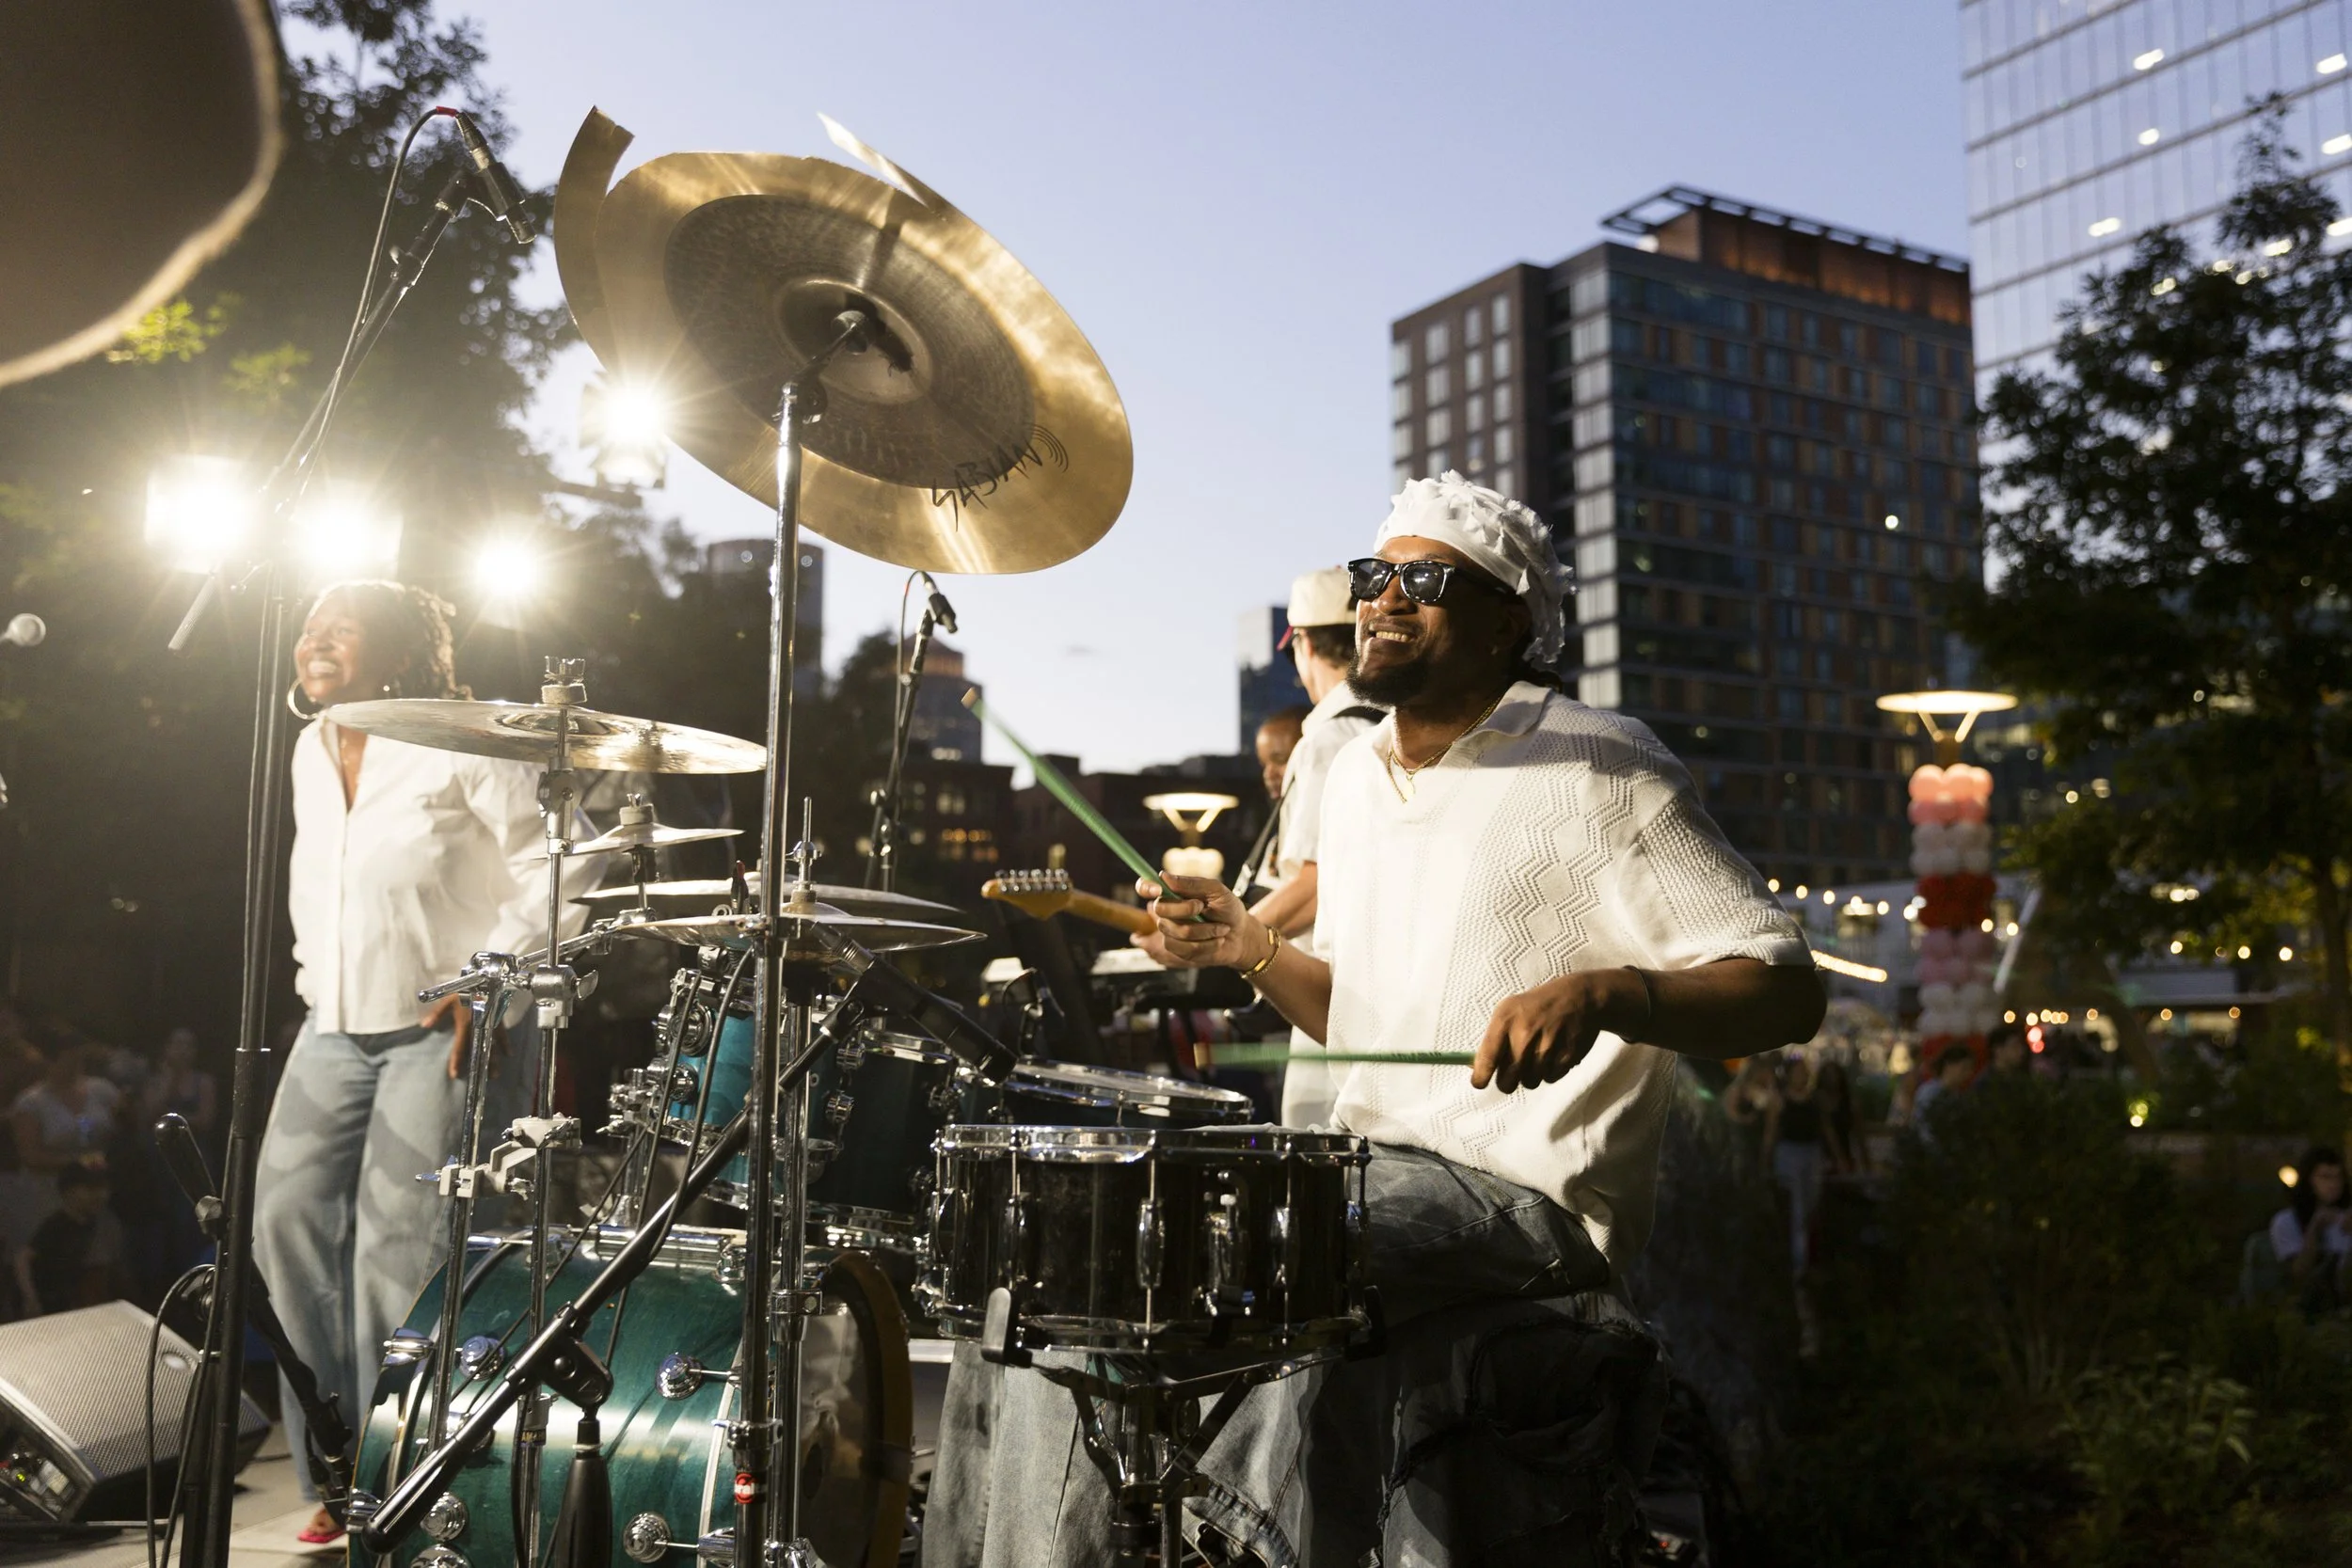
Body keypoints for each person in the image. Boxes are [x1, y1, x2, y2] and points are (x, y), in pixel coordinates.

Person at [924, 473, 1825, 1567]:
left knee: (1275, 1275)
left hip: (1523, 1205)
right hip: (1364, 1169)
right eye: (1373, 576)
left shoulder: (1603, 763)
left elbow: (1783, 984)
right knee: (1047, 1276)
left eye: (1425, 578)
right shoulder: (1352, 776)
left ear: (1510, 621)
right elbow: (1352, 1011)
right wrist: (1247, 946)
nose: (1384, 599)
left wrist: (1611, 992)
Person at [252, 579, 584, 1544]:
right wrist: (314, 980)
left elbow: (559, 858)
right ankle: (336, 1458)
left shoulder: (463, 735)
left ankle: (401, 1470)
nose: (310, 638)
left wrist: (495, 980)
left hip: (447, 1025)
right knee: (284, 1225)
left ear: (395, 650)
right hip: (334, 1021)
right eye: (307, 624)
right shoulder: (310, 745)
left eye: (337, 627)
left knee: (399, 1252)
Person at [1247, 566, 1384, 1127]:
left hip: (1330, 1000)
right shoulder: (1393, 726)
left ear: (1302, 643)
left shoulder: (1330, 738)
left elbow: (1315, 883)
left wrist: (1228, 935)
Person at [15, 1161, 118, 1316]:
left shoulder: (89, 1222)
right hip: (44, 1300)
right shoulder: (57, 1224)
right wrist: (30, 1298)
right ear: (68, 1192)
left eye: (104, 1188)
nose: (101, 1194)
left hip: (63, 1299)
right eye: (91, 1189)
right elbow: (22, 1259)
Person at [1764, 1054, 1827, 1278]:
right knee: (1796, 1208)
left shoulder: (1815, 1099)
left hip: (1811, 1153)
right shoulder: (1780, 1100)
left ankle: (1810, 1261)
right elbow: (1771, 1132)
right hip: (1789, 1154)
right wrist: (1766, 1160)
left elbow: (1824, 1130)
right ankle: (1798, 1268)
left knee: (1811, 1205)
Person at [2271, 1146, 2351, 1317]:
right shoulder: (2286, 1221)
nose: (2333, 1184)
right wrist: (2315, 1229)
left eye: (2338, 1177)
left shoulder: (2347, 1218)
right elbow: (2298, 1273)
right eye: (2325, 1177)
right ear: (2309, 1180)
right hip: (2311, 1310)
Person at [1911, 1044, 1976, 1127]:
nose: (1968, 1073)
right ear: (1948, 1065)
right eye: (1964, 1068)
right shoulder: (1930, 1092)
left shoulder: (1956, 1094)